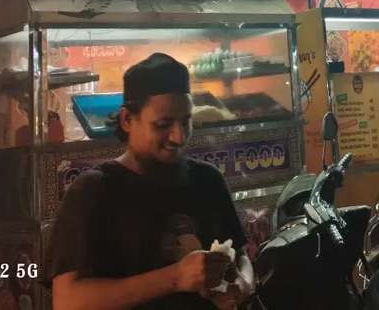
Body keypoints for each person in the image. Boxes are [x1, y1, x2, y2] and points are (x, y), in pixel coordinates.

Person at [47, 53, 254, 310]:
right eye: (163, 124)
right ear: (127, 120)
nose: (179, 137)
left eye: (186, 121)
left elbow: (242, 258)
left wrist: (241, 285)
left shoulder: (208, 180)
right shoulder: (93, 192)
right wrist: (175, 277)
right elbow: (67, 301)